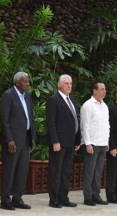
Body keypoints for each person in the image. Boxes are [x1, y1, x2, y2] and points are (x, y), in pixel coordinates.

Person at [0, 72, 36, 210]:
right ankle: (5, 200)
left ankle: (17, 198)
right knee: (10, 170)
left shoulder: (27, 96)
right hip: (13, 140)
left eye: (27, 81)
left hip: (25, 138)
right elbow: (5, 120)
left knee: (22, 170)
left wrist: (32, 138)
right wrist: (9, 140)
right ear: (17, 82)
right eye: (25, 81)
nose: (27, 83)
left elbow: (30, 117)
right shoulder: (8, 95)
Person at [46, 74, 80, 208]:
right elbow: (51, 122)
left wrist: (78, 140)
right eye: (66, 83)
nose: (69, 86)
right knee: (56, 171)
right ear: (59, 85)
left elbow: (76, 120)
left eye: (70, 83)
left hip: (71, 142)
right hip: (59, 143)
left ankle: (63, 197)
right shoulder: (54, 100)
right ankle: (54, 199)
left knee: (66, 172)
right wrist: (55, 141)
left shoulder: (71, 99)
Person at [80, 82, 110, 206]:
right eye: (102, 89)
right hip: (92, 144)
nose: (104, 91)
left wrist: (107, 141)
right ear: (95, 91)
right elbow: (84, 125)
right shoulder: (88, 105)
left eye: (105, 89)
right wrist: (87, 143)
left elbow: (107, 125)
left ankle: (96, 195)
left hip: (102, 143)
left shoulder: (105, 106)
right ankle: (88, 197)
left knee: (98, 172)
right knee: (89, 172)